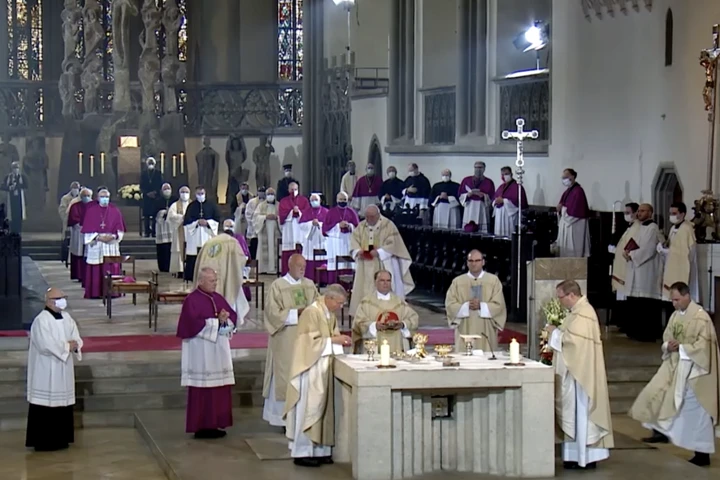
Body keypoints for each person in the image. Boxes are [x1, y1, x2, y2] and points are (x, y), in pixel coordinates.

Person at [629, 282, 720, 467]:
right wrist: (668, 346)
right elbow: (667, 336)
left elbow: (705, 346)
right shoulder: (676, 315)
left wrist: (683, 348)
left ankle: (702, 453)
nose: (674, 304)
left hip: (697, 372)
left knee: (697, 413)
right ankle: (660, 432)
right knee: (656, 393)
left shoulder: (701, 317)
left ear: (687, 296)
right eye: (672, 300)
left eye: (677, 299)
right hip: (676, 365)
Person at [547, 280, 613, 470]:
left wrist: (554, 333)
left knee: (582, 415)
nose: (560, 301)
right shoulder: (576, 312)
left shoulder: (584, 314)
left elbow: (574, 344)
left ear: (571, 295)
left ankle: (585, 457)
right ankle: (575, 456)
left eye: (561, 297)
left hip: (582, 377)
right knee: (574, 415)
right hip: (576, 373)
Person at [283, 284, 352, 467]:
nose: (341, 307)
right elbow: (307, 342)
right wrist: (335, 340)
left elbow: (332, 335)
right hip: (310, 368)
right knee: (309, 409)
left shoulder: (329, 313)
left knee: (323, 410)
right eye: (339, 303)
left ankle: (321, 451)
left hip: (324, 367)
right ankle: (303, 452)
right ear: (329, 298)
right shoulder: (311, 312)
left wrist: (339, 341)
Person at [177, 268, 238, 439]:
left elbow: (232, 317)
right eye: (211, 281)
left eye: (215, 280)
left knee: (219, 388)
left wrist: (226, 320)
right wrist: (216, 322)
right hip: (200, 353)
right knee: (202, 390)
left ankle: (215, 423)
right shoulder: (192, 300)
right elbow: (191, 324)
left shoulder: (218, 298)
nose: (215, 284)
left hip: (218, 352)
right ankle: (201, 426)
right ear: (201, 281)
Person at [263, 254, 319, 427]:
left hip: (306, 339)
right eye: (299, 266)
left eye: (304, 266)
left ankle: (302, 417)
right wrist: (297, 313)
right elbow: (272, 313)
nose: (302, 269)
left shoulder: (309, 285)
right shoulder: (278, 286)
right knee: (285, 375)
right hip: (285, 339)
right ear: (289, 266)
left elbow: (318, 307)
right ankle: (283, 419)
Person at [26, 287, 82, 452]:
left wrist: (76, 344)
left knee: (62, 403)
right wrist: (66, 346)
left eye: (64, 297)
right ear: (49, 301)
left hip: (63, 368)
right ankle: (43, 442)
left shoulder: (67, 317)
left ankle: (61, 439)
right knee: (46, 405)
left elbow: (75, 336)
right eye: (59, 298)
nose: (62, 301)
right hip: (46, 368)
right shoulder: (41, 320)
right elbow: (45, 344)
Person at [348, 205, 415, 316]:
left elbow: (394, 244)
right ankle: (365, 316)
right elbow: (354, 242)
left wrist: (379, 252)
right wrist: (358, 251)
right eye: (367, 216)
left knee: (385, 286)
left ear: (378, 215)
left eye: (372, 216)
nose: (369, 219)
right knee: (363, 291)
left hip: (384, 263)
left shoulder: (388, 225)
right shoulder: (361, 226)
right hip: (365, 265)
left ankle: (389, 315)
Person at [445, 249, 507, 352]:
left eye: (477, 260)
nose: (474, 264)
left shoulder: (493, 281)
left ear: (483, 262)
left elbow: (499, 305)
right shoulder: (457, 282)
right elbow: (450, 305)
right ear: (467, 263)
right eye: (471, 261)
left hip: (486, 328)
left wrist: (481, 306)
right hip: (465, 327)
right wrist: (466, 306)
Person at [192, 221, 250, 319]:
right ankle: (227, 322)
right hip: (225, 277)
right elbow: (241, 259)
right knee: (228, 295)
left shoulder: (210, 242)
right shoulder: (232, 242)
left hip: (206, 277)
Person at [624, 203, 664, 342]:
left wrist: (632, 255)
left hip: (646, 270)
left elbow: (648, 249)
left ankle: (646, 333)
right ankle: (634, 331)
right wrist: (627, 252)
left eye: (642, 211)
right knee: (635, 301)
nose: (639, 213)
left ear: (650, 213)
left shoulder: (652, 228)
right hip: (636, 268)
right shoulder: (639, 227)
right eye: (639, 211)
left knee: (645, 303)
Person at [352, 270, 419, 353]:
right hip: (375, 344)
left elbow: (413, 318)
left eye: (388, 280)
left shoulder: (399, 302)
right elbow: (358, 323)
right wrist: (374, 325)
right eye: (382, 280)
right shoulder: (366, 303)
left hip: (396, 343)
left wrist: (402, 324)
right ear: (375, 282)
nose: (385, 283)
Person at [82, 188, 126, 299]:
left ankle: (112, 292)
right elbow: (87, 231)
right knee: (96, 266)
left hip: (111, 244)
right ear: (97, 198)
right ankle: (96, 292)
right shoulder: (91, 211)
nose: (104, 199)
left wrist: (113, 236)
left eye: (106, 197)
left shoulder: (115, 210)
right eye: (102, 197)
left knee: (110, 266)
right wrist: (98, 237)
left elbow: (120, 230)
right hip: (97, 243)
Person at [608, 202, 640, 330]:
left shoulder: (637, 227)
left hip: (627, 266)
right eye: (625, 212)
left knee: (625, 296)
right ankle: (620, 322)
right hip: (621, 265)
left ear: (636, 213)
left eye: (628, 212)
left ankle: (624, 323)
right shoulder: (629, 227)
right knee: (620, 295)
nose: (626, 215)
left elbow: (632, 245)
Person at [659, 202, 698, 303]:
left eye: (674, 213)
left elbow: (691, 250)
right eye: (670, 213)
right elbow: (671, 243)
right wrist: (664, 246)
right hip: (671, 265)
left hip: (681, 266)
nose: (671, 216)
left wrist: (670, 251)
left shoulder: (687, 228)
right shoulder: (673, 228)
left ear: (682, 214)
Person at [183, 186, 220, 282]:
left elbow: (217, 219)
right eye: (198, 194)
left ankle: (208, 275)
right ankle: (192, 276)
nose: (200, 195)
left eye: (202, 193)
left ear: (205, 194)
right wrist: (197, 222)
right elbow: (186, 221)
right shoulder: (191, 206)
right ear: (195, 194)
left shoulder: (211, 205)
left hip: (207, 234)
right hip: (194, 235)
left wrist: (208, 223)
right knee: (193, 255)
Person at [322, 192, 359, 284]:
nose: (342, 201)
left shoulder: (352, 212)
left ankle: (349, 285)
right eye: (341, 199)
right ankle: (334, 284)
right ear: (337, 200)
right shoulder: (331, 212)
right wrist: (338, 226)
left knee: (348, 263)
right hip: (335, 242)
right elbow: (325, 229)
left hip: (348, 240)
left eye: (344, 199)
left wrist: (349, 226)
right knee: (335, 263)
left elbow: (358, 228)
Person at [555, 168, 591, 257]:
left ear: (573, 177)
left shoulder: (578, 191)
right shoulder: (568, 191)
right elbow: (562, 204)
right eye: (563, 177)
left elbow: (577, 211)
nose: (564, 179)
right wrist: (560, 208)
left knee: (573, 250)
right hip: (566, 224)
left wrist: (563, 211)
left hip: (574, 226)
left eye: (566, 177)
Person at [279, 182, 310, 275]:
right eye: (292, 189)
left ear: (298, 190)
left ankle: (300, 272)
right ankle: (287, 272)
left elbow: (307, 213)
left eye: (295, 189)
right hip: (289, 229)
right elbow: (282, 214)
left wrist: (299, 212)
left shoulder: (304, 200)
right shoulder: (283, 201)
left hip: (300, 228)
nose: (293, 191)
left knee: (300, 248)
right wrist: (292, 212)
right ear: (288, 190)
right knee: (289, 249)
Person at [459, 161, 495, 233]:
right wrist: (467, 195)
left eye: (480, 167)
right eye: (476, 167)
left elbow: (492, 197)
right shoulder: (466, 180)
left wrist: (484, 195)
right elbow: (460, 194)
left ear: (484, 169)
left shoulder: (489, 182)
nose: (478, 169)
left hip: (482, 207)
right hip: (469, 207)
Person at [299, 193, 328, 280]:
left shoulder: (326, 212)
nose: (314, 202)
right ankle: (309, 278)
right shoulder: (306, 212)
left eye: (316, 200)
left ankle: (322, 279)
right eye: (312, 200)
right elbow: (301, 226)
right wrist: (311, 223)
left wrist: (319, 224)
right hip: (310, 241)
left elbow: (329, 226)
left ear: (320, 201)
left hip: (321, 240)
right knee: (309, 257)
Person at [492, 166, 528, 237]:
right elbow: (494, 198)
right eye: (502, 174)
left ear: (511, 174)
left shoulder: (517, 186)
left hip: (509, 216)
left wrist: (504, 201)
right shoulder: (501, 187)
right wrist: (495, 201)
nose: (504, 176)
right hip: (500, 215)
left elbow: (518, 202)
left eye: (506, 174)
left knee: (509, 235)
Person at [253, 187, 281, 274]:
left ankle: (276, 268)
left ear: (275, 195)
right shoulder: (261, 205)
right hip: (264, 229)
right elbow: (255, 217)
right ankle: (263, 268)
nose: (270, 196)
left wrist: (277, 217)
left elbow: (283, 217)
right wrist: (265, 217)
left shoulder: (279, 205)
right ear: (266, 195)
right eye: (269, 194)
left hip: (276, 230)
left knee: (275, 248)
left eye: (272, 194)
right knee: (263, 249)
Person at [67, 188, 92, 282]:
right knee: (79, 252)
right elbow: (73, 218)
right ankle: (79, 275)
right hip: (78, 232)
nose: (86, 197)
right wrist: (82, 226)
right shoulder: (75, 206)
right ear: (81, 197)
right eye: (84, 196)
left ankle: (88, 275)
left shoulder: (94, 206)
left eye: (88, 196)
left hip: (90, 233)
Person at [167, 186, 191, 277]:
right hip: (179, 231)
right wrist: (182, 217)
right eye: (183, 192)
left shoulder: (193, 204)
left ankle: (189, 269)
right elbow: (171, 216)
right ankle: (179, 270)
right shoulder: (175, 205)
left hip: (190, 231)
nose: (184, 194)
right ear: (179, 193)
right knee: (178, 249)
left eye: (186, 192)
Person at [155, 183, 177, 273]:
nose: (167, 190)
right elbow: (154, 212)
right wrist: (163, 212)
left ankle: (171, 265)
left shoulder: (175, 200)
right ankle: (163, 266)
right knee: (162, 248)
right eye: (165, 189)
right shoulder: (158, 200)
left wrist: (170, 212)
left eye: (168, 188)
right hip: (162, 226)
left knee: (171, 246)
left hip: (171, 227)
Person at [140, 157, 164, 238]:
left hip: (155, 197)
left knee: (155, 215)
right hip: (146, 197)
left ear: (154, 164)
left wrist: (155, 192)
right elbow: (141, 185)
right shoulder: (144, 174)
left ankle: (154, 231)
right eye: (149, 163)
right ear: (147, 164)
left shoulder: (158, 173)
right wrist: (147, 193)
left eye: (152, 163)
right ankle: (147, 232)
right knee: (146, 215)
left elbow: (160, 184)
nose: (150, 165)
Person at [1, 161, 27, 234]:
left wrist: (18, 186)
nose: (15, 170)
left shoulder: (22, 177)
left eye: (17, 168)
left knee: (19, 216)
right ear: (11, 169)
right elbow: (2, 186)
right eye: (14, 168)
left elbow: (26, 185)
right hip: (11, 199)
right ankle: (12, 231)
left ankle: (18, 231)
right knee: (11, 216)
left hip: (19, 199)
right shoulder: (8, 177)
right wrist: (9, 188)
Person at [245, 186, 265, 259]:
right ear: (257, 192)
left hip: (263, 228)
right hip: (253, 228)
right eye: (260, 191)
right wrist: (255, 223)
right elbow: (248, 214)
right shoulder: (252, 202)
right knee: (253, 247)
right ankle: (253, 261)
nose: (261, 193)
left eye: (263, 191)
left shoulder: (267, 202)